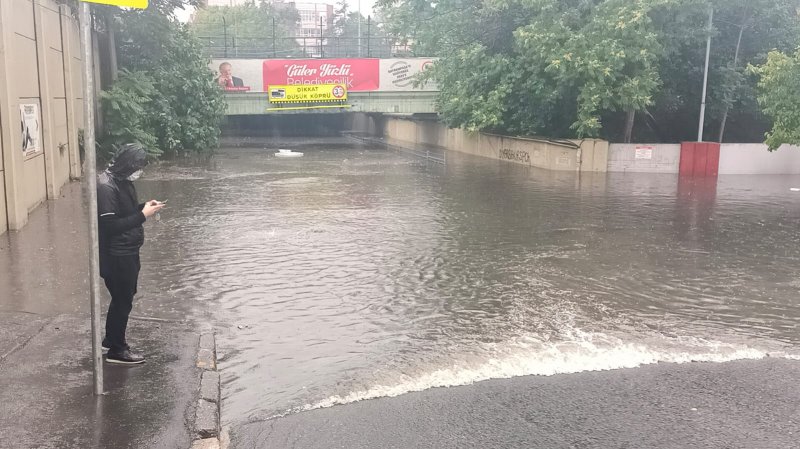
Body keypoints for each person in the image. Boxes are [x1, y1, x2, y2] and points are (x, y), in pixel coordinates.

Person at [97, 143, 164, 365]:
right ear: (128, 164)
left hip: (127, 251)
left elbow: (124, 213)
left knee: (123, 297)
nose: (140, 171)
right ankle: (117, 350)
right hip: (116, 255)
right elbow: (109, 226)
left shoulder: (122, 180)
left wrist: (144, 207)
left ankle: (111, 339)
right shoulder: (106, 186)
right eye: (138, 166)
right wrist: (143, 215)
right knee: (123, 299)